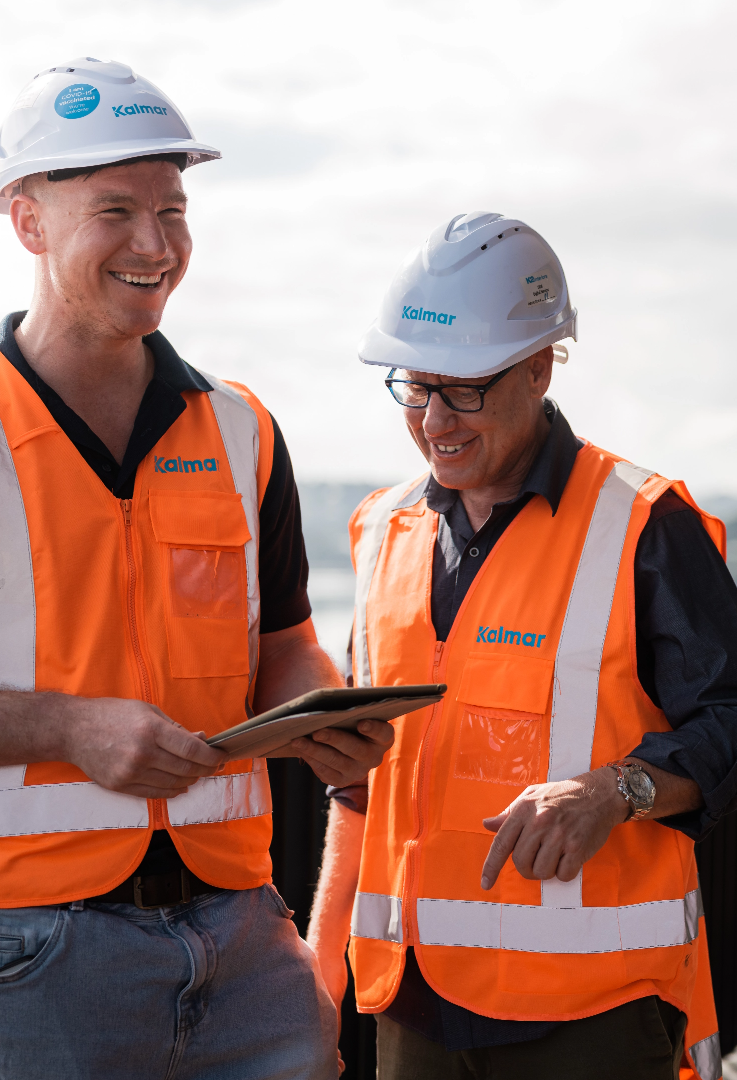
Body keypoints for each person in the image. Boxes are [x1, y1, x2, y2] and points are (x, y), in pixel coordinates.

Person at [0, 57, 394, 1080]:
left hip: (244, 936)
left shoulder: (244, 431)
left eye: (172, 212)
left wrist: (320, 716)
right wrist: (69, 728)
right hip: (28, 956)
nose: (155, 245)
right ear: (27, 222)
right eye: (116, 211)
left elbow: (284, 646)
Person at [305, 211, 734, 1080]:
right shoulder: (382, 531)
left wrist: (615, 791)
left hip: (592, 1018)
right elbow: (362, 790)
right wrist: (317, 970)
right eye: (415, 388)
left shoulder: (643, 525)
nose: (435, 421)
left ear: (540, 368)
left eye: (464, 389)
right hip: (410, 1010)